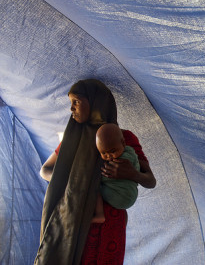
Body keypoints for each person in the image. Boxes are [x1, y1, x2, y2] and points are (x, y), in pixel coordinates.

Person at [35, 79, 156, 265]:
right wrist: (78, 180)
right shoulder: (71, 141)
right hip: (77, 220)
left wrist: (133, 174)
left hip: (110, 226)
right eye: (71, 103)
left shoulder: (122, 137)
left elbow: (150, 180)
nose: (71, 109)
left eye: (76, 101)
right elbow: (45, 170)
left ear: (96, 102)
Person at [92, 123, 140, 223]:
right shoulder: (129, 152)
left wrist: (97, 176)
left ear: (123, 143)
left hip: (121, 196)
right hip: (130, 195)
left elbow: (108, 175)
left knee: (94, 187)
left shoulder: (124, 159)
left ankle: (99, 214)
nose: (109, 156)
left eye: (112, 151)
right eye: (103, 153)